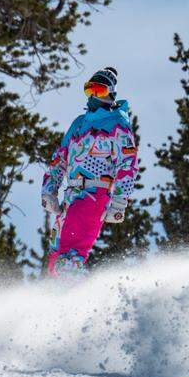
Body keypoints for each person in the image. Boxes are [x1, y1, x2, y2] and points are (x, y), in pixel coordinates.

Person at [41, 67, 139, 277]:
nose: (94, 95)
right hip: (71, 196)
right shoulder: (79, 123)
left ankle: (76, 297)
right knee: (55, 258)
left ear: (110, 94)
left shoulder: (118, 123)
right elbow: (60, 158)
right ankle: (55, 299)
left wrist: (120, 201)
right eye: (90, 89)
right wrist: (49, 190)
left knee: (71, 253)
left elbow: (128, 164)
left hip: (94, 194)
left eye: (100, 90)